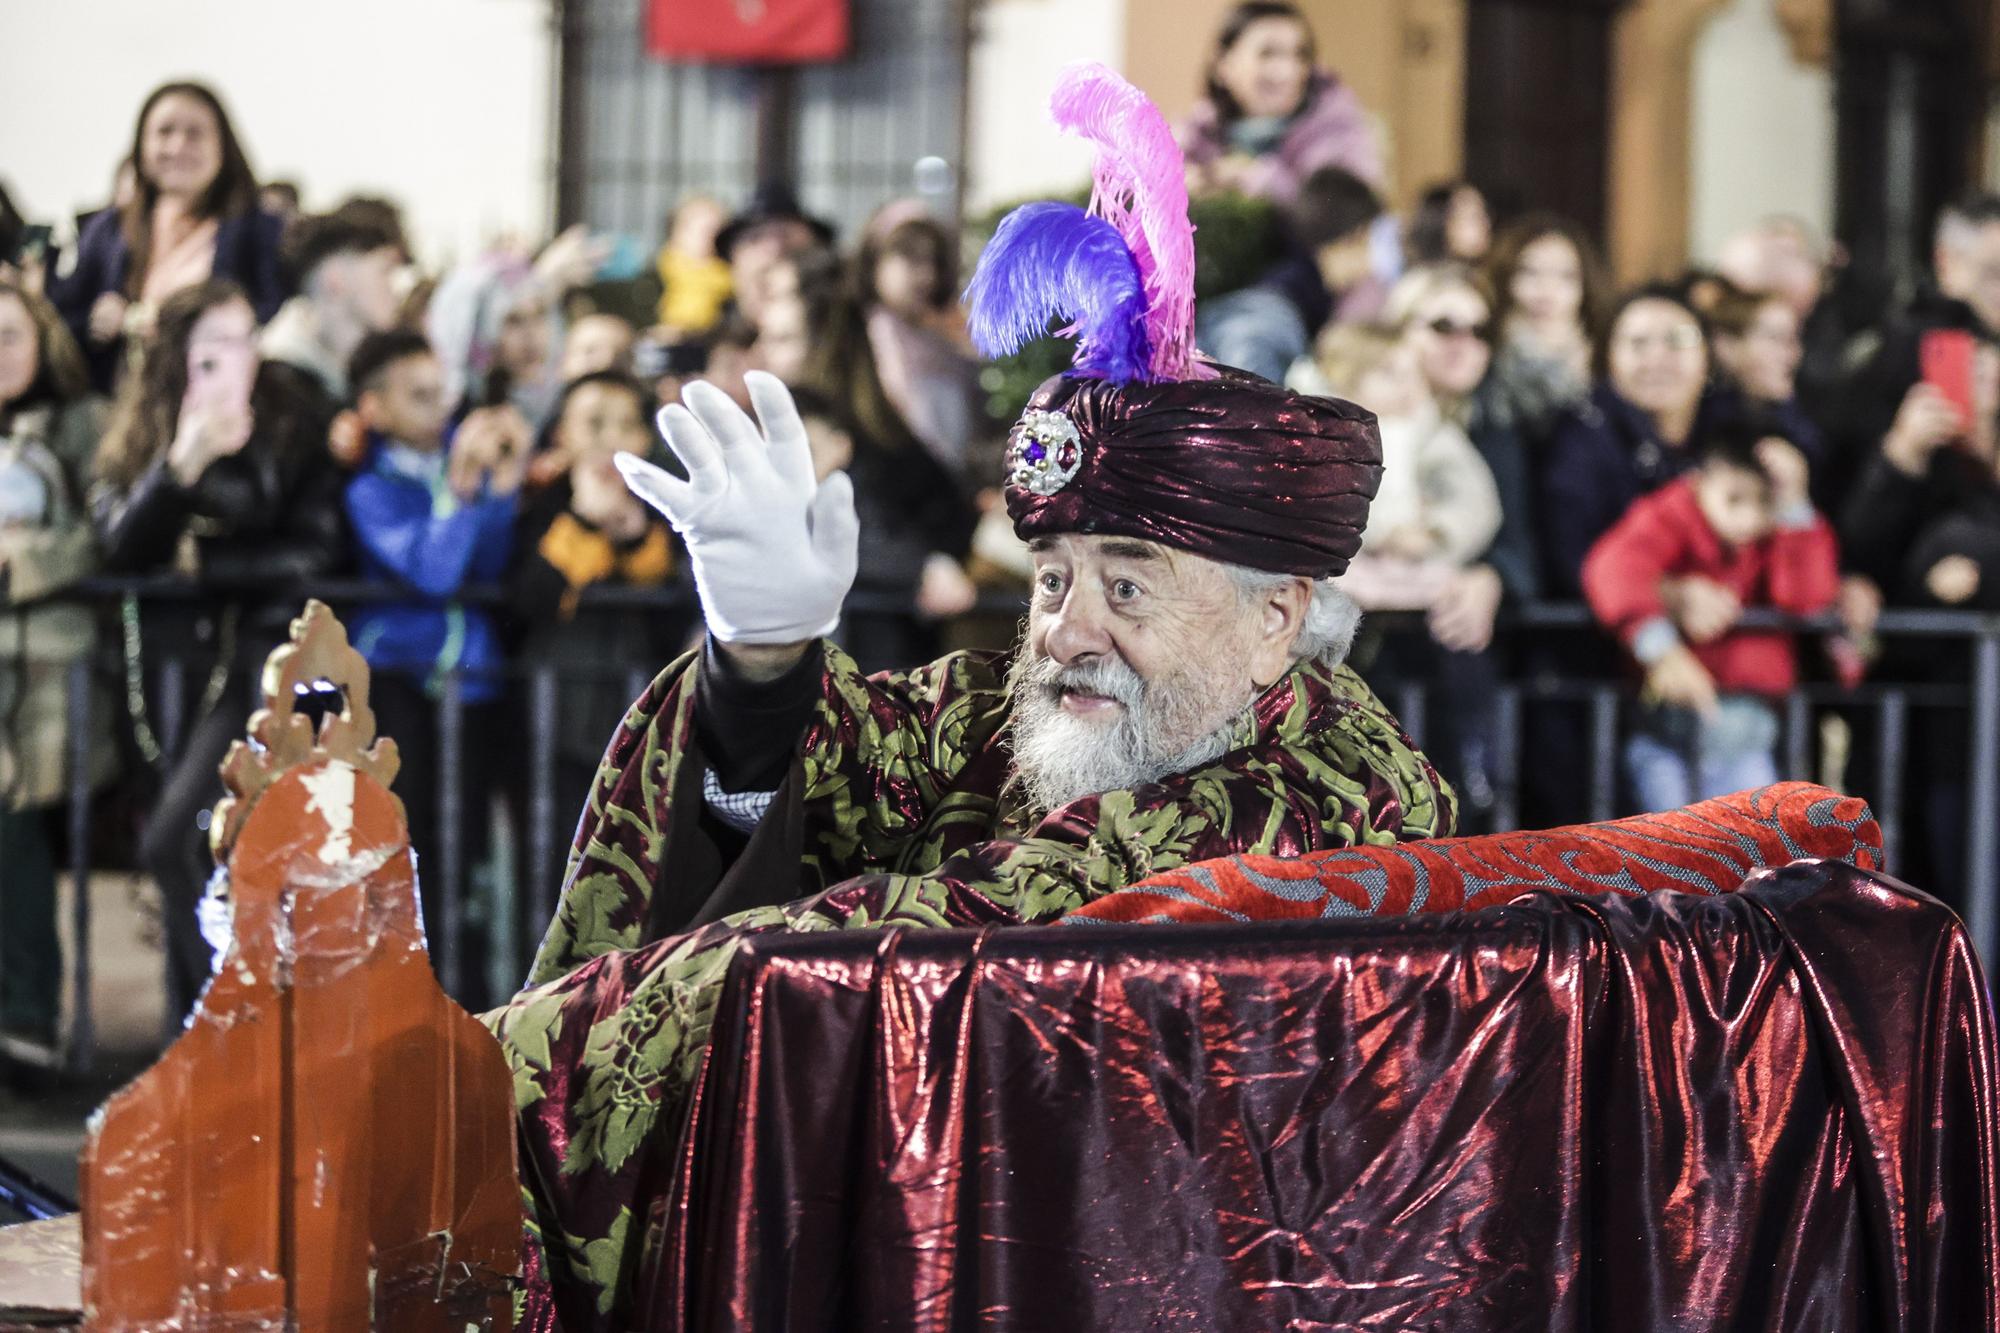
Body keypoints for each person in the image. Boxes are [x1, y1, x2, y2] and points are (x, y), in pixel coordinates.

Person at [484, 65, 1453, 1326]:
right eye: (1050, 575)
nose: (1067, 629)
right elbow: (861, 748)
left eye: (1128, 582)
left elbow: (938, 936)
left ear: (1276, 619)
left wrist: (508, 1064)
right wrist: (764, 660)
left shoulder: (1324, 796)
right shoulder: (1043, 709)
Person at [91, 278, 346, 1018]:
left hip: (260, 670)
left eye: (244, 338)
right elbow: (117, 546)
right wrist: (180, 468)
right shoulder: (147, 429)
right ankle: (197, 1042)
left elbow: (316, 549)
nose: (235, 359)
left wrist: (209, 563)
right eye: (213, 345)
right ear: (177, 355)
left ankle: (231, 1037)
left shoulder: (294, 416)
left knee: (185, 844)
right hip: (167, 670)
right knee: (196, 857)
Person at [342, 329, 526, 997]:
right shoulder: (370, 491)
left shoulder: (452, 469)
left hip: (468, 689)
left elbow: (487, 568)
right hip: (399, 687)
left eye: (440, 393)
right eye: (417, 396)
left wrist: (499, 494)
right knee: (407, 854)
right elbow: (435, 571)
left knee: (465, 854)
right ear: (376, 406)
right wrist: (461, 489)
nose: (438, 410)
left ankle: (466, 1000)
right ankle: (399, 1001)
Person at [1583, 421, 1837, 811]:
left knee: (1747, 858)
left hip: (1747, 740)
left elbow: (1807, 597)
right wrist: (1659, 647)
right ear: (1700, 483)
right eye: (1734, 499)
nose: (1747, 519)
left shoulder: (1779, 535)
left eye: (1762, 502)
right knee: (1663, 856)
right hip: (1664, 733)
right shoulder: (1672, 515)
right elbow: (1614, 566)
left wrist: (1796, 507)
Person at [751, 247, 978, 670]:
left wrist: (928, 565)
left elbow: (944, 514)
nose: (764, 356)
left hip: (870, 668)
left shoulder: (874, 440)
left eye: (782, 340)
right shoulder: (783, 425)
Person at [508, 370, 685, 898]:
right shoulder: (535, 505)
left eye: (627, 424)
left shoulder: (666, 514)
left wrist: (634, 542)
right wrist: (584, 521)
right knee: (556, 881)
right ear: (561, 435)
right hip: (551, 733)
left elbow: (677, 620)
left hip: (641, 737)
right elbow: (525, 603)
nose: (611, 440)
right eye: (594, 423)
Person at [0, 281, 115, 1072]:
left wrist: (16, 560)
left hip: (48, 668)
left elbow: (100, 537)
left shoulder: (81, 424)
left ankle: (28, 1017)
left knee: (15, 823)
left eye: (9, 334)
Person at [48, 82, 285, 395]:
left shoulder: (260, 229)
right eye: (164, 132)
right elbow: (61, 320)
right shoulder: (108, 228)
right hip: (123, 402)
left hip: (220, 403)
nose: (178, 146)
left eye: (195, 133)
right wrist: (97, 321)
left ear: (223, 146)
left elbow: (274, 313)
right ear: (141, 145)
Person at [1540, 285, 1716, 596]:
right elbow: (1572, 562)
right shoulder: (1579, 441)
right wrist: (1663, 594)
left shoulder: (1735, 435)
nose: (1657, 358)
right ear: (1609, 359)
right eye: (1638, 343)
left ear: (1708, 358)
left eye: (1678, 341)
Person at [1178, 1, 1383, 203]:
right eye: (1268, 54)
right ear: (1223, 64)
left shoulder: (1338, 132)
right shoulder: (1196, 136)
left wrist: (1250, 178)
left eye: (1299, 55)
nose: (1287, 72)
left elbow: (1342, 211)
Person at [1197, 165, 1384, 383]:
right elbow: (1248, 404)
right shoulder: (1272, 313)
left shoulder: (1289, 306)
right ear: (1349, 237)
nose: (1368, 266)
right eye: (1367, 244)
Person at [858, 207, 981, 478]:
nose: (926, 275)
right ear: (875, 261)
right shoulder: (871, 331)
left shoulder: (941, 329)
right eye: (910, 257)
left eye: (932, 261)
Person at [258, 202, 406, 409]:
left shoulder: (355, 375)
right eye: (384, 272)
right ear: (335, 279)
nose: (396, 289)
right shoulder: (276, 388)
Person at [1482, 215, 1606, 446]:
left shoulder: (1605, 362)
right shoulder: (1483, 362)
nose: (1546, 290)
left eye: (1565, 275)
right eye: (1529, 272)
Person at [653, 195, 733, 339]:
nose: (712, 238)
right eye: (704, 230)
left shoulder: (734, 281)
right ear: (676, 233)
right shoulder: (653, 278)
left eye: (718, 232)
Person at [1406, 181, 1492, 266]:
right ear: (1444, 225)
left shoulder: (1465, 274)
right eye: (1474, 217)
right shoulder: (1436, 279)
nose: (1487, 224)